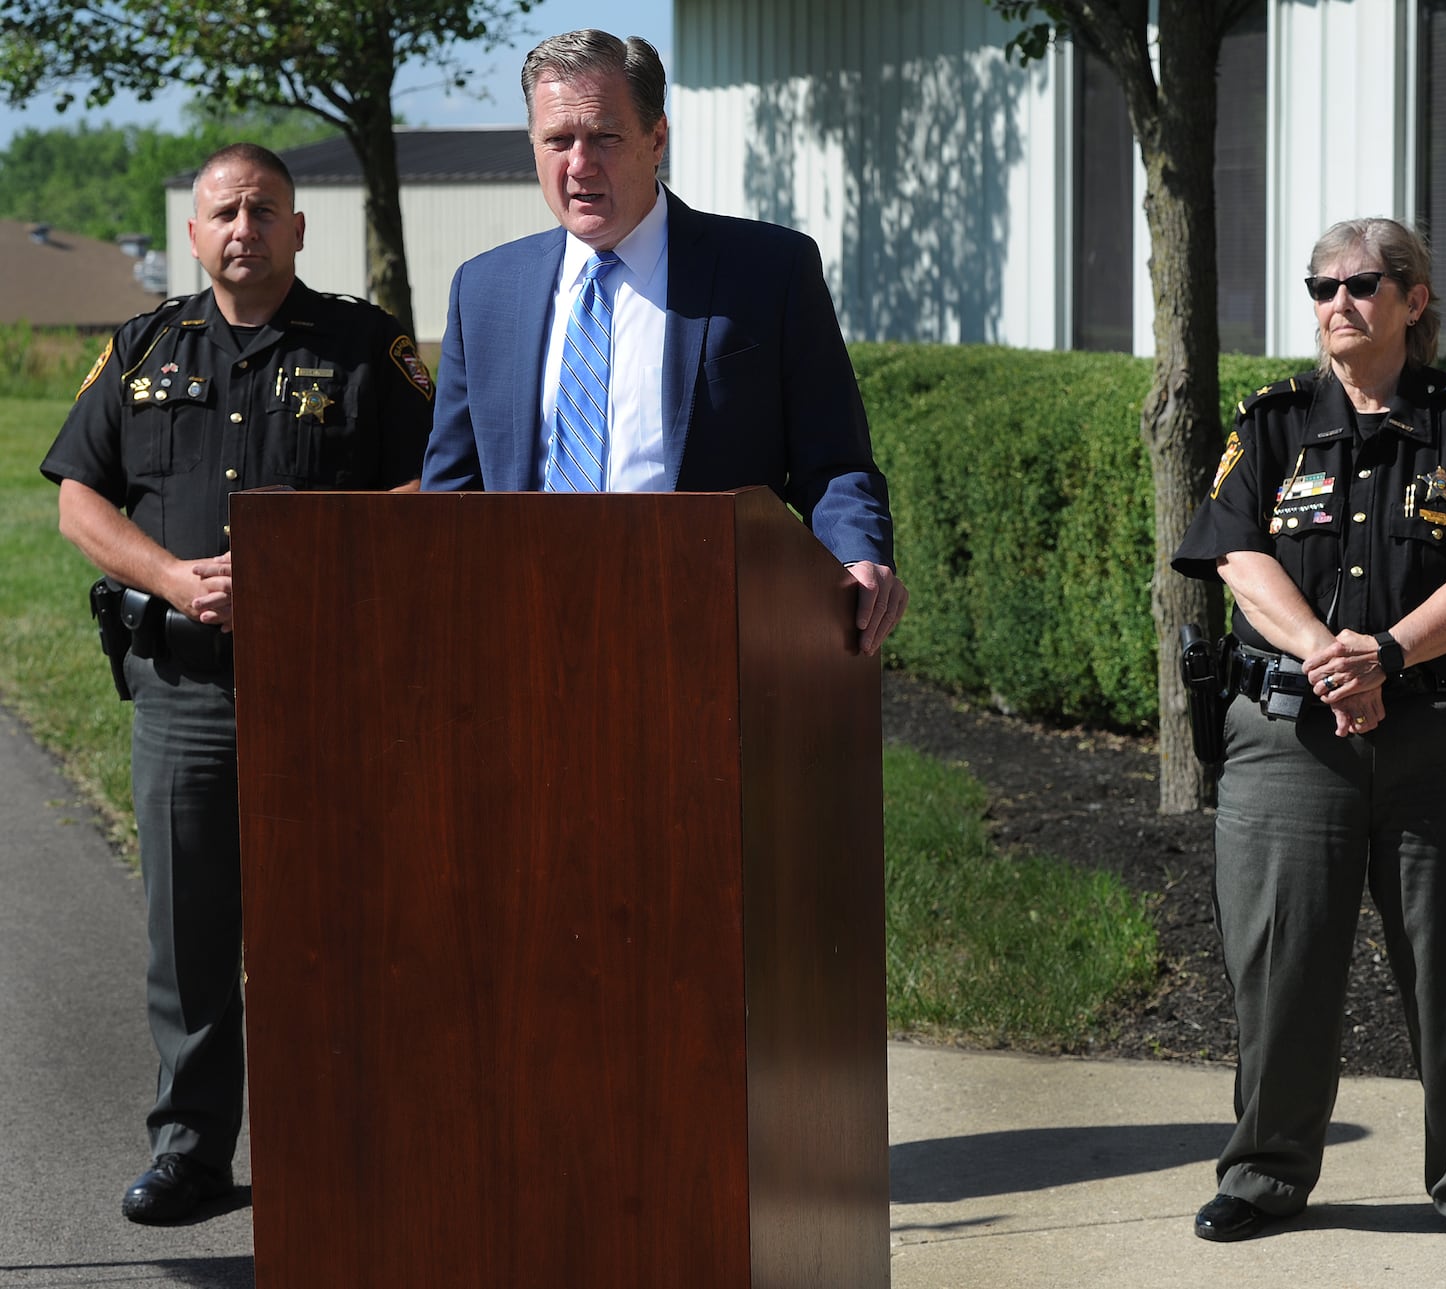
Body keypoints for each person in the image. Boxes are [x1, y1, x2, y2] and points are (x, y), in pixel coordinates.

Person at [40, 142, 434, 1224]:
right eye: (224, 211)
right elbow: (80, 499)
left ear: (300, 228)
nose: (244, 227)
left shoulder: (364, 346)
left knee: (336, 924)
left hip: (331, 691)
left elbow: (438, 485)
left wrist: (312, 565)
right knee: (191, 938)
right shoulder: (142, 346)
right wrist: (167, 574)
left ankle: (346, 1149)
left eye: (265, 209)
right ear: (194, 232)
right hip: (186, 691)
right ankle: (192, 1153)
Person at [1173, 217, 1446, 1255]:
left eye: (1360, 284)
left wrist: (1385, 653)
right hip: (1289, 741)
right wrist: (1327, 656)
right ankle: (1263, 1173)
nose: (1335, 303)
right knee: (1279, 968)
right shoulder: (1270, 423)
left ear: (1413, 299)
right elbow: (1234, 558)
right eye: (1319, 286)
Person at [420, 29, 906, 655]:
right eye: (557, 140)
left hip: (707, 638)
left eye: (605, 137)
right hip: (522, 642)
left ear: (657, 140)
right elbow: (449, 497)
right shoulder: (483, 290)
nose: (579, 164)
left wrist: (857, 555)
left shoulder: (767, 272)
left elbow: (835, 462)